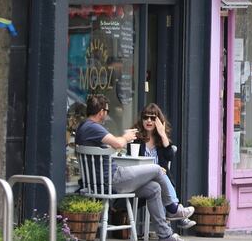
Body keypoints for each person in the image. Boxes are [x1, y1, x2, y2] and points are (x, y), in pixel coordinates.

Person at [75, 95, 194, 241]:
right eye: (107, 110)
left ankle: (165, 235)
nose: (107, 113)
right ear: (101, 112)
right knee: (156, 169)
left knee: (154, 188)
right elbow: (118, 144)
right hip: (112, 180)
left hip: (103, 182)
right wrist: (126, 137)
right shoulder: (93, 127)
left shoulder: (84, 127)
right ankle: (172, 209)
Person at [129, 103, 195, 229]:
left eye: (153, 118)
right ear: (141, 119)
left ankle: (173, 214)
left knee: (160, 176)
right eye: (145, 117)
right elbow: (131, 161)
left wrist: (162, 134)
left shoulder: (160, 140)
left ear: (158, 121)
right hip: (140, 179)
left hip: (159, 182)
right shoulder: (136, 138)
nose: (148, 121)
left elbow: (170, 156)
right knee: (159, 173)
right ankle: (175, 211)